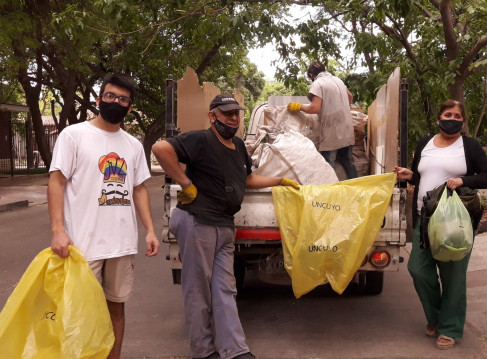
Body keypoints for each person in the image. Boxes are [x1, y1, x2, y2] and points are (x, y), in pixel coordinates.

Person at [152, 94, 300, 359]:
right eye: (227, 113)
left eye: (236, 114)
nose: (233, 118)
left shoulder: (239, 146)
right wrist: (186, 183)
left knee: (225, 289)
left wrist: (279, 181)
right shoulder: (201, 139)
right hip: (198, 222)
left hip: (223, 226)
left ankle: (234, 350)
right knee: (198, 291)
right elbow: (161, 149)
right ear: (213, 116)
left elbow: (248, 179)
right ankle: (204, 351)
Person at [48, 73, 160, 359]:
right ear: (99, 100)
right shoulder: (73, 135)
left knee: (116, 309)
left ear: (129, 107)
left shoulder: (133, 145)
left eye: (123, 99)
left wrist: (149, 230)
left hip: (121, 245)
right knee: (79, 314)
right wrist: (57, 230)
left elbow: (138, 189)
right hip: (82, 246)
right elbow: (56, 182)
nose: (115, 102)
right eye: (110, 96)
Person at [394, 99, 487, 350]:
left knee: (453, 276)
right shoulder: (425, 143)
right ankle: (437, 317)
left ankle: (449, 328)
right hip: (424, 219)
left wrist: (463, 180)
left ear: (462, 121)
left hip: (456, 222)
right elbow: (422, 174)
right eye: (447, 114)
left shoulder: (470, 146)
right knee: (418, 270)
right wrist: (410, 176)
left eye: (457, 116)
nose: (452, 119)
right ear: (439, 118)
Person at [287, 60, 358, 179]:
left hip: (331, 131)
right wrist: (343, 108)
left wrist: (299, 107)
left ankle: (331, 193)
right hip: (346, 129)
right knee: (349, 162)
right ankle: (357, 188)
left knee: (328, 165)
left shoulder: (318, 83)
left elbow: (315, 108)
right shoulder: (338, 80)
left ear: (311, 75)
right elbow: (350, 97)